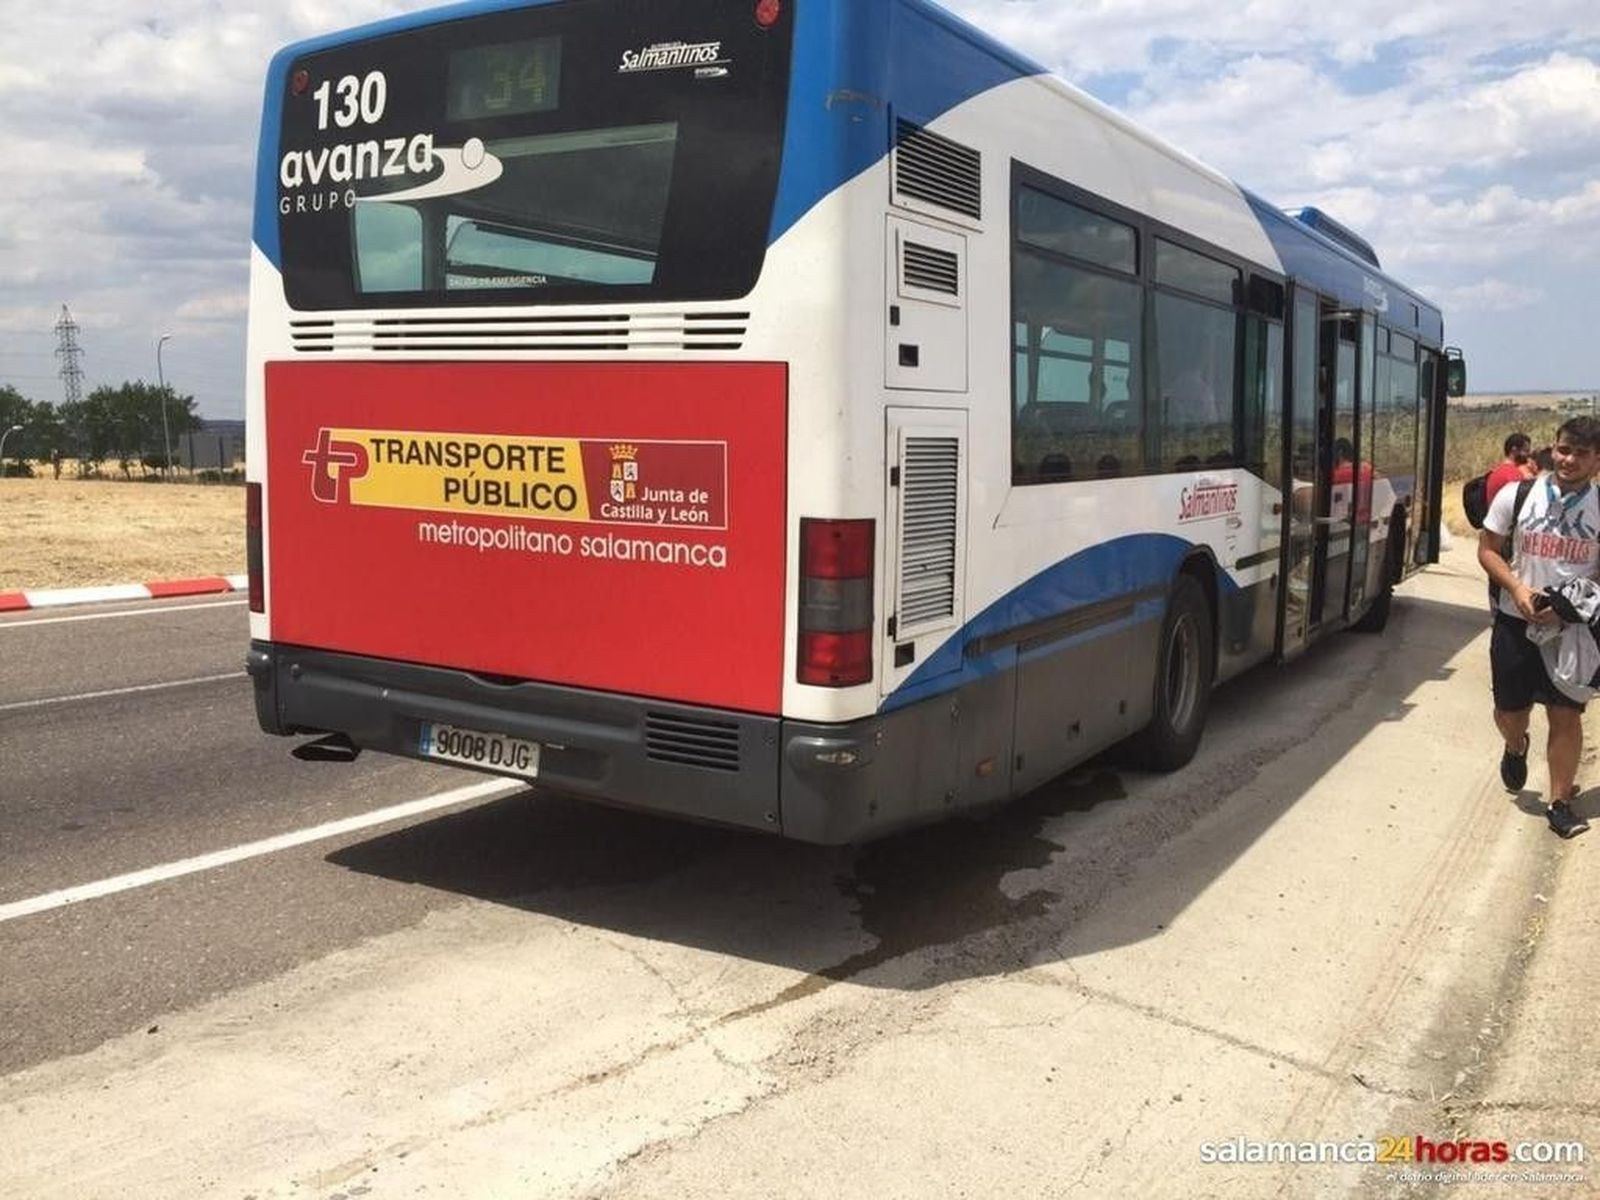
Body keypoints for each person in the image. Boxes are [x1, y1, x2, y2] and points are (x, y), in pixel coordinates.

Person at [1478, 416, 1600, 838]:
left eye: (1581, 453)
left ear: (1597, 460)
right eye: (1564, 450)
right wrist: (1516, 588)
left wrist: (1569, 606)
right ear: (1553, 447)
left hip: (1572, 630)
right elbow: (1488, 549)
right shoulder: (1518, 494)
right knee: (1510, 713)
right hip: (1515, 623)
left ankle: (1559, 803)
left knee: (1565, 714)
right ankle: (1516, 746)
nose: (1569, 460)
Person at [1485, 432, 1536, 505]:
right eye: (1526, 451)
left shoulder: (1496, 471)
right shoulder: (1513, 474)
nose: (1529, 454)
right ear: (1514, 450)